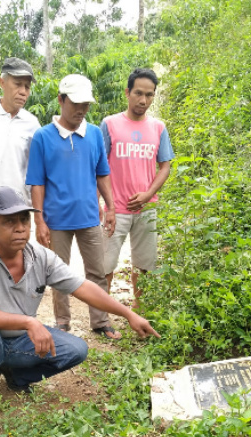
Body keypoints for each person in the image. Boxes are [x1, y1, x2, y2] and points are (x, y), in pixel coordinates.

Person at [0, 187, 159, 437]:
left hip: (16, 339)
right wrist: (29, 322)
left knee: (75, 349)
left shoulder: (40, 256)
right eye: (9, 221)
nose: (20, 228)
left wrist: (128, 314)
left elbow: (83, 287)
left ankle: (15, 374)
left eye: (24, 220)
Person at [25, 74, 121, 340]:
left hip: (89, 216)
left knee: (97, 271)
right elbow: (37, 182)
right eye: (76, 103)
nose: (81, 110)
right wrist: (39, 221)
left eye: (85, 104)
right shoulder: (43, 137)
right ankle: (63, 324)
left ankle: (101, 321)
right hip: (56, 220)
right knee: (58, 274)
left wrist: (111, 207)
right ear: (61, 100)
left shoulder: (94, 134)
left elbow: (102, 173)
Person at [100, 68, 175, 309]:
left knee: (144, 265)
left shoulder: (158, 128)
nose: (144, 100)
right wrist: (102, 204)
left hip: (146, 209)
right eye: (139, 93)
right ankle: (101, 317)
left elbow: (165, 166)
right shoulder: (110, 124)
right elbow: (98, 166)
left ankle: (140, 312)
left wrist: (148, 194)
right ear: (127, 93)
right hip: (115, 209)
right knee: (105, 266)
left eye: (149, 95)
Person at [0, 58, 42, 205]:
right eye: (17, 84)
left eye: (27, 87)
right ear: (2, 82)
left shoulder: (32, 124)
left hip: (20, 207)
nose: (23, 92)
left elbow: (38, 170)